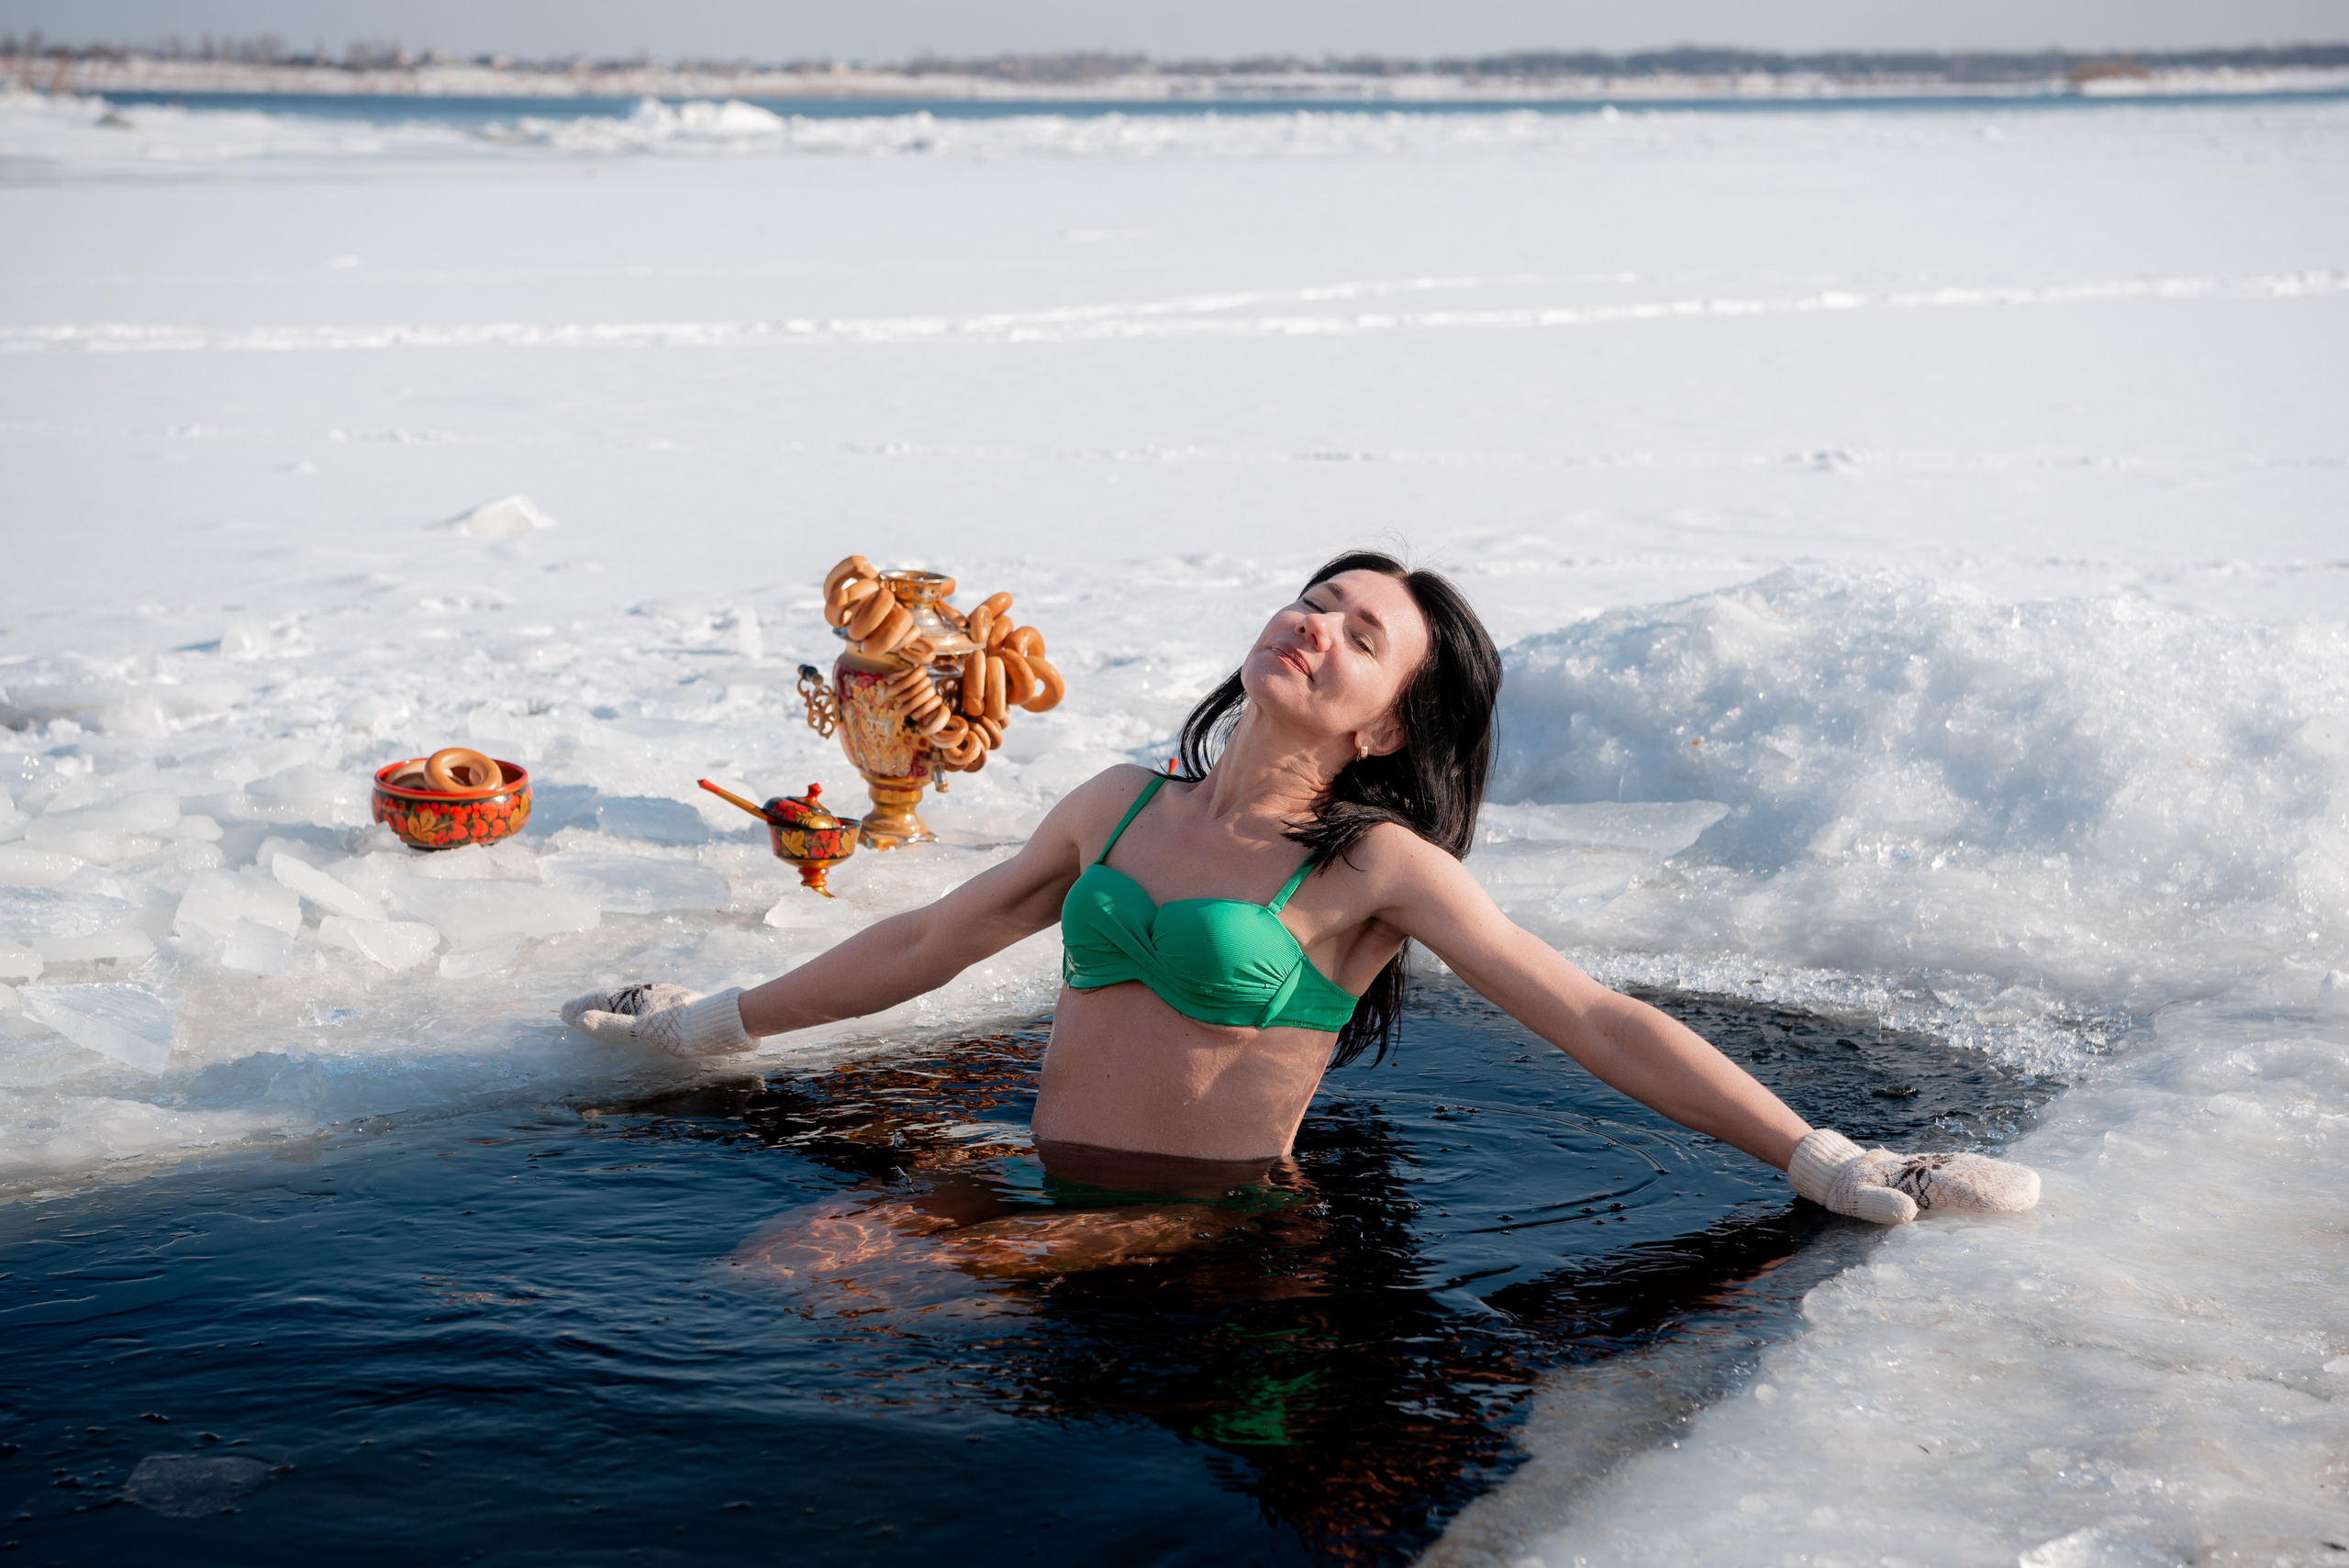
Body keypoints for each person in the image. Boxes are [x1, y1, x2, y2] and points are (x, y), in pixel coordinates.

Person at [563, 550, 2039, 1229]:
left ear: (1387, 727)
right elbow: (928, 940)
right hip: (1044, 1182)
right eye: (1315, 600)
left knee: (824, 1280)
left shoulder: (1372, 866)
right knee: (813, 1285)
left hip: (1210, 1232)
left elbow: (1590, 1016)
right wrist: (705, 1022)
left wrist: (1823, 1154)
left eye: (1362, 634)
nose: (1316, 626)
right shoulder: (1117, 802)